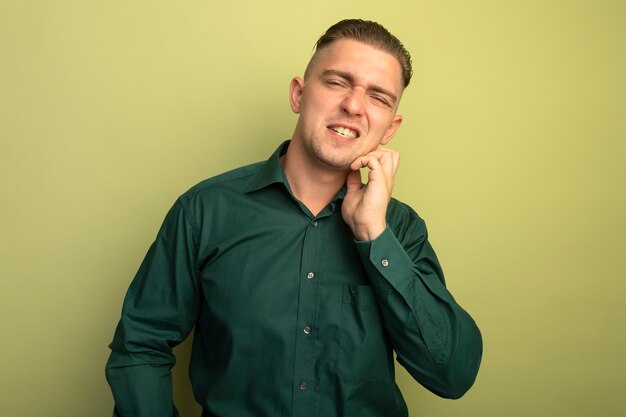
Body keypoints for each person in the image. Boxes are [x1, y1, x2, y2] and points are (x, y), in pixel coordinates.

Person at [106, 18, 482, 417]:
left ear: (391, 127)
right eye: (338, 82)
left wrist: (375, 235)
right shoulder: (204, 211)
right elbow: (140, 345)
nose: (353, 106)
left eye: (378, 97)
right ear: (298, 95)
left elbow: (452, 374)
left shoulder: (401, 230)